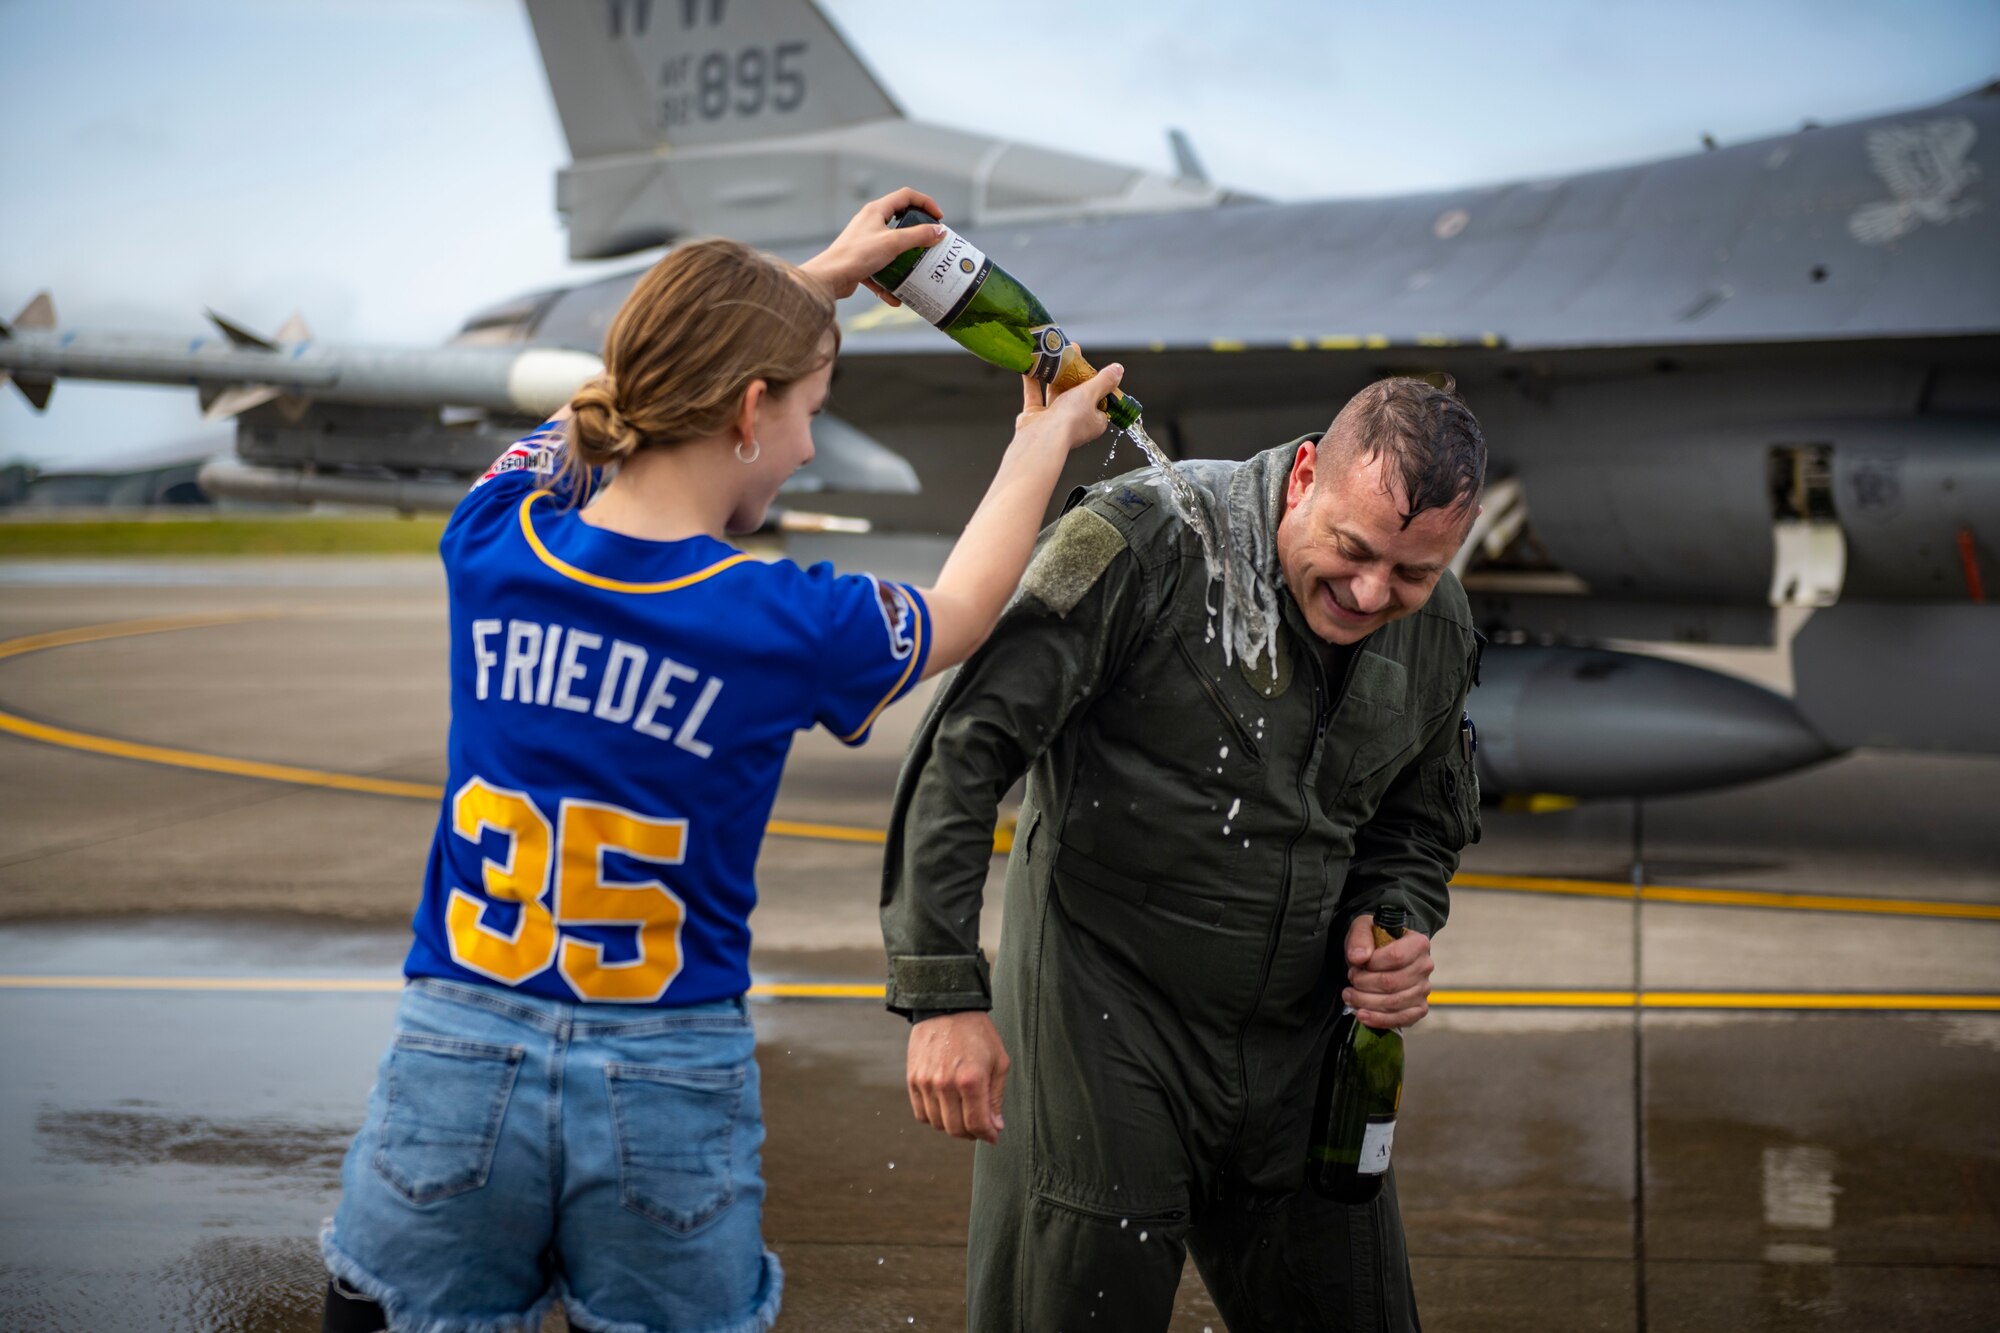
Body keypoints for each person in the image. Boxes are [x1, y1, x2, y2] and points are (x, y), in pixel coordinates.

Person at [318, 187, 1123, 1333]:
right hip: (663, 1076)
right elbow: (957, 610)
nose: (804, 445)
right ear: (750, 409)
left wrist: (808, 283)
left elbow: (584, 417)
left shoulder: (493, 538)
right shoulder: (777, 618)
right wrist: (1038, 446)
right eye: (807, 408)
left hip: (458, 1051)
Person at [881, 377, 1488, 1331]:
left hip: (1299, 1051)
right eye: (1352, 550)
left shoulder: (1438, 626)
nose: (1375, 593)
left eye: (1411, 574)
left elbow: (1416, 819)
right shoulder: (1147, 540)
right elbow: (965, 745)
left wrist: (1396, 918)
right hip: (1103, 1028)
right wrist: (944, 992)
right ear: (1302, 479)